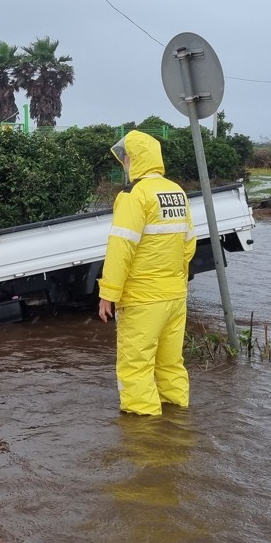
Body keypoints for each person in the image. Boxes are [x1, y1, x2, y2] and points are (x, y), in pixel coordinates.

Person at [97, 130, 196, 416]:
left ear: (133, 159)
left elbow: (120, 250)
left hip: (142, 298)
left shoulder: (133, 195)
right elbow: (188, 245)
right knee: (171, 365)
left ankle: (146, 442)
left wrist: (108, 294)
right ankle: (178, 424)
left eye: (125, 158)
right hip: (175, 297)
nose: (124, 164)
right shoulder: (176, 191)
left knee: (136, 368)